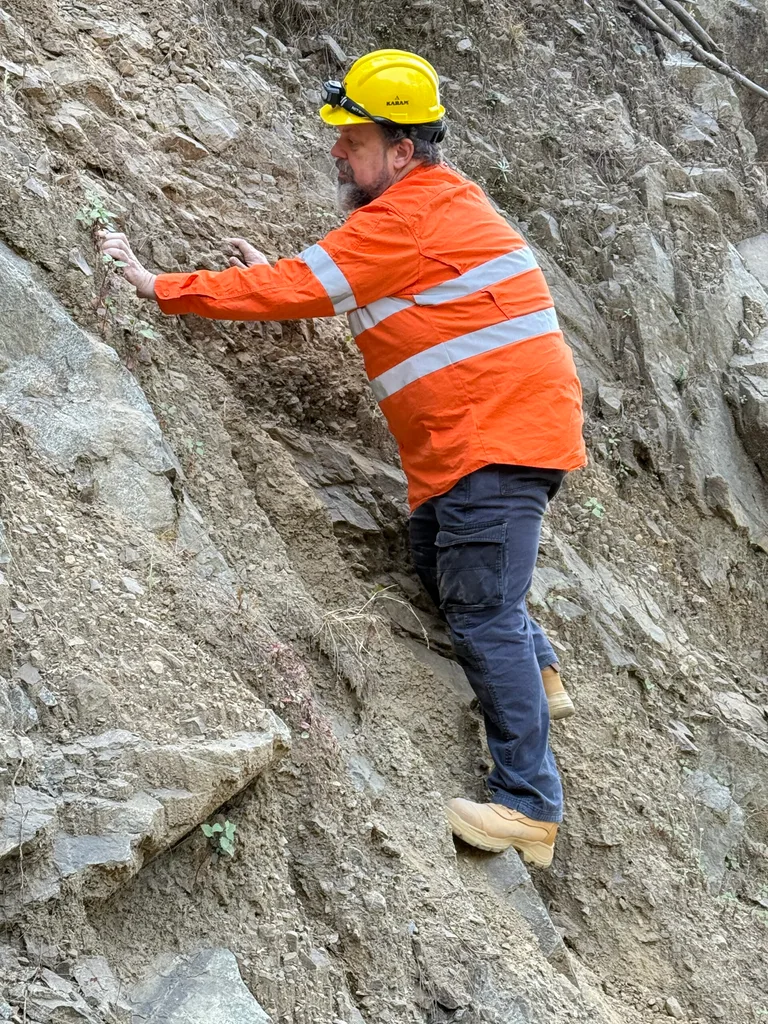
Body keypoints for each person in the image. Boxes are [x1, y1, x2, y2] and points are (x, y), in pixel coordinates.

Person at [100, 49, 586, 868]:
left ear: (402, 150)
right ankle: (536, 673)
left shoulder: (405, 219)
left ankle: (529, 806)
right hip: (484, 441)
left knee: (482, 609)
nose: (337, 152)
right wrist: (279, 278)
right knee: (440, 560)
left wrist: (159, 286)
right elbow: (342, 288)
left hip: (494, 441)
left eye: (353, 141)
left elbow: (305, 286)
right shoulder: (433, 208)